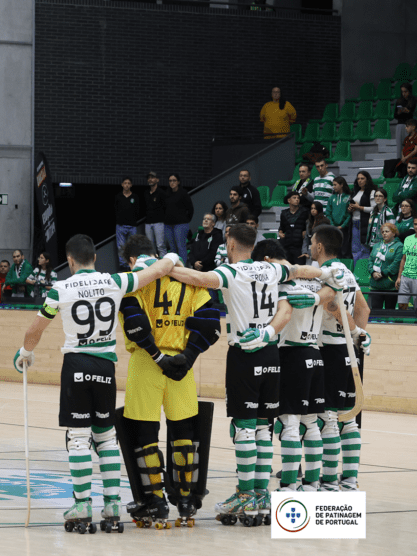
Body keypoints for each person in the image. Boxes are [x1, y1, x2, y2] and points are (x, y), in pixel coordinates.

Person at [169, 224, 342, 525]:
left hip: (244, 353)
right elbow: (300, 271)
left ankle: (245, 494)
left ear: (230, 244)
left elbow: (198, 278)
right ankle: (261, 496)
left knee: (244, 429)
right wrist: (326, 274)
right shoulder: (272, 270)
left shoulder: (230, 272)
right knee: (263, 428)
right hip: (271, 352)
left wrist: (166, 267)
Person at [13, 234, 179, 533]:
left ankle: (82, 505)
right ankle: (113, 505)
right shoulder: (116, 281)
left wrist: (25, 353)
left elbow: (34, 330)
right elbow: (158, 270)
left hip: (76, 366)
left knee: (78, 438)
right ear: (95, 258)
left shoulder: (60, 289)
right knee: (106, 437)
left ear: (70, 261)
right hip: (105, 367)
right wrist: (172, 258)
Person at [117, 234, 221, 527]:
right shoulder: (187, 279)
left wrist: (157, 356)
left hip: (147, 361)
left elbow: (135, 322)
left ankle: (156, 502)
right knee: (184, 432)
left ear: (133, 260)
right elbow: (211, 322)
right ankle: (186, 501)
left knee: (145, 434)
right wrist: (188, 356)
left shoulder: (136, 281)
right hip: (181, 363)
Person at [248, 240, 335, 494]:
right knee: (311, 423)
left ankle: (288, 485)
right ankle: (312, 484)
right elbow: (334, 290)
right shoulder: (316, 280)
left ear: (266, 260)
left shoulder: (281, 282)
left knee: (289, 423)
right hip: (315, 353)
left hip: (292, 354)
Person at [312, 226, 371, 492]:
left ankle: (327, 482)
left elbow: (332, 306)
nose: (310, 246)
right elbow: (364, 308)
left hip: (330, 350)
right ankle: (349, 480)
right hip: (349, 352)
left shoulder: (327, 273)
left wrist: (354, 331)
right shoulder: (347, 271)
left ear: (320, 246)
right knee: (348, 419)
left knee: (329, 418)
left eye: (312, 242)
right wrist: (357, 338)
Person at [369, 223, 404, 310]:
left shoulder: (399, 246)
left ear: (394, 233)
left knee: (390, 312)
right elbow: (370, 261)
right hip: (375, 285)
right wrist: (373, 272)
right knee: (376, 312)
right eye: (383, 232)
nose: (384, 233)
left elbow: (396, 263)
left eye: (387, 231)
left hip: (390, 285)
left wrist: (382, 273)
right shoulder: (376, 245)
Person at [163, 174, 193, 263]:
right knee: (172, 247)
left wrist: (186, 220)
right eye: (170, 181)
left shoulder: (183, 193)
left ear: (178, 182)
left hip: (181, 224)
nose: (172, 182)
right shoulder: (166, 193)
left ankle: (182, 266)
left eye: (174, 180)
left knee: (181, 246)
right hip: (168, 224)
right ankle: (174, 266)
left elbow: (190, 209)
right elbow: (163, 208)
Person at [348, 171, 376, 261]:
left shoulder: (372, 192)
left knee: (364, 248)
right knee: (355, 248)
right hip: (354, 222)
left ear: (367, 180)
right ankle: (356, 268)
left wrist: (359, 207)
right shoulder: (355, 191)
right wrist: (350, 209)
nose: (360, 180)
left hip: (365, 222)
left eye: (362, 178)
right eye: (358, 179)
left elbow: (374, 209)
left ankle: (363, 268)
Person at [114, 176, 141, 269]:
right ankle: (123, 265)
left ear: (131, 185)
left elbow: (137, 210)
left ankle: (132, 264)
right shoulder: (118, 196)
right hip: (121, 226)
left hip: (132, 226)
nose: (127, 185)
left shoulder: (135, 197)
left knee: (132, 246)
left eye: (129, 183)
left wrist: (133, 220)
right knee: (121, 247)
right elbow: (115, 209)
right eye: (125, 183)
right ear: (122, 184)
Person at [278, 190, 308, 264]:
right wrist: (280, 232)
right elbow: (282, 227)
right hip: (287, 245)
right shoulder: (284, 213)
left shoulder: (304, 212)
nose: (297, 199)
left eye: (298, 198)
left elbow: (308, 225)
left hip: (299, 246)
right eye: (294, 198)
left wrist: (306, 231)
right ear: (289, 200)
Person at [327, 177, 353, 257]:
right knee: (335, 250)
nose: (333, 187)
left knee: (345, 250)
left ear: (341, 185)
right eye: (333, 185)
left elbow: (350, 214)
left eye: (335, 185)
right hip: (333, 228)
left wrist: (343, 225)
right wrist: (332, 224)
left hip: (345, 228)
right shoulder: (331, 198)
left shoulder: (348, 197)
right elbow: (328, 213)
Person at [143, 171, 166, 255]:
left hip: (159, 223)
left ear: (157, 180)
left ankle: (164, 262)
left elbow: (165, 207)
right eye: (149, 178)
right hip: (148, 223)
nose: (150, 179)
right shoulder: (146, 193)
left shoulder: (161, 193)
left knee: (160, 245)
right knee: (150, 246)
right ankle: (154, 262)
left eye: (152, 177)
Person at [396, 229, 417, 310]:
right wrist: (399, 277)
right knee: (401, 305)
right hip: (405, 276)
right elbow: (403, 259)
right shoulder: (408, 239)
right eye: (415, 224)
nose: (416, 226)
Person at [395, 83, 417, 159]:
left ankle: (410, 161)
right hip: (400, 124)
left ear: (409, 91)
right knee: (399, 146)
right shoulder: (399, 101)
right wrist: (399, 112)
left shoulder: (414, 100)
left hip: (410, 124)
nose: (404, 93)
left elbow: (414, 114)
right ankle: (400, 162)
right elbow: (395, 116)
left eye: (405, 91)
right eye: (402, 91)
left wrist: (408, 112)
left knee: (410, 145)